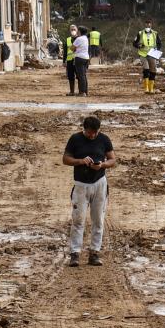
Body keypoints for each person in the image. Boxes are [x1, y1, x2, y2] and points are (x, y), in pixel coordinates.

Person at [63, 114, 113, 266]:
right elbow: (65, 159)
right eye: (90, 133)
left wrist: (102, 165)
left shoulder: (104, 139)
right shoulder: (75, 139)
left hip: (99, 183)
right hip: (81, 184)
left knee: (98, 219)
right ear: (84, 129)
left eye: (95, 133)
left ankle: (94, 253)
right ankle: (75, 254)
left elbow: (113, 159)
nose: (92, 136)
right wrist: (80, 161)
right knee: (78, 219)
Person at [135, 20, 159, 94]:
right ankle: (146, 88)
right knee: (146, 69)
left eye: (149, 25)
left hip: (152, 54)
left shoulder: (155, 33)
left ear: (151, 25)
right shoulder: (140, 33)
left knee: (153, 70)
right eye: (147, 25)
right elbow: (134, 43)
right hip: (143, 54)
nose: (148, 26)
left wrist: (157, 49)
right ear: (145, 25)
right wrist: (139, 45)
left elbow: (159, 43)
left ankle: (151, 88)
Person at [72, 24, 91, 96]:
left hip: (79, 58)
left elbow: (72, 48)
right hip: (86, 58)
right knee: (84, 75)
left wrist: (74, 39)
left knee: (80, 76)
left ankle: (82, 92)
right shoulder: (86, 38)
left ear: (79, 31)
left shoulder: (78, 39)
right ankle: (85, 91)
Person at [64, 24, 79, 95]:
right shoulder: (67, 40)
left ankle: (80, 91)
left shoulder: (80, 39)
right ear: (70, 31)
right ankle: (72, 91)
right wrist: (64, 61)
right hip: (70, 60)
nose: (73, 31)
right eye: (72, 30)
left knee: (79, 76)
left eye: (74, 29)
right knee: (70, 76)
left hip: (78, 60)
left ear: (77, 30)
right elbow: (65, 51)